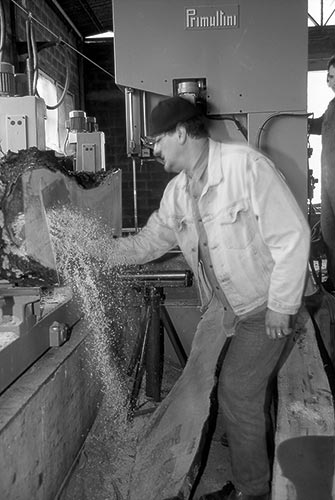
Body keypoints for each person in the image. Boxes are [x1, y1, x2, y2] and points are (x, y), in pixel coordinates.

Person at [106, 96, 310, 500]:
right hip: (224, 306)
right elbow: (150, 242)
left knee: (237, 389)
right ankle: (252, 464)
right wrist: (99, 250)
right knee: (222, 384)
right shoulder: (178, 192)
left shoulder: (245, 168)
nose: (155, 148)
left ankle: (252, 492)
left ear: (182, 133)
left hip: (263, 304)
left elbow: (293, 236)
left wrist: (281, 306)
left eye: (159, 140)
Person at [308, 55, 335, 287]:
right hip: (329, 182)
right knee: (329, 233)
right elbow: (320, 125)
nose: (331, 81)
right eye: (330, 77)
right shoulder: (332, 107)